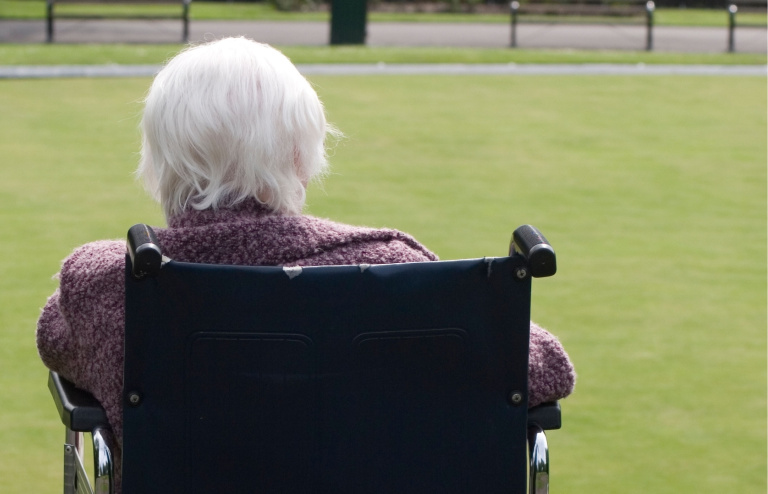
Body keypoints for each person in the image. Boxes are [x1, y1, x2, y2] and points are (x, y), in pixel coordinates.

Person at [37, 36, 575, 491]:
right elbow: (545, 368)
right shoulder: (396, 270)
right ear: (301, 156)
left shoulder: (109, 283)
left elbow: (54, 337)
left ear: (158, 160)